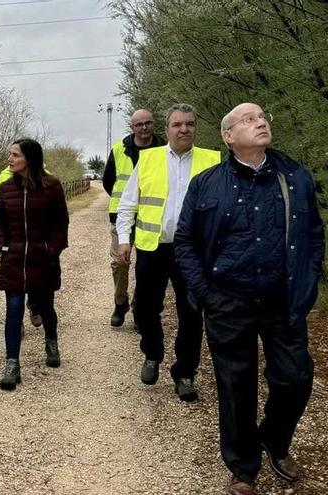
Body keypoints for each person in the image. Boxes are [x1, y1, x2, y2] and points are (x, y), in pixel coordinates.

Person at [175, 103, 323, 495]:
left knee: (295, 379)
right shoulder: (207, 184)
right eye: (248, 119)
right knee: (236, 387)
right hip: (228, 302)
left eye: (262, 117)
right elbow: (186, 243)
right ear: (228, 137)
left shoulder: (294, 177)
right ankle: (243, 468)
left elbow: (313, 237)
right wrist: (205, 294)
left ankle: (274, 440)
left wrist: (308, 287)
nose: (260, 122)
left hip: (283, 302)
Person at [116, 103, 220, 402]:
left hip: (194, 253)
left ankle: (185, 372)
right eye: (177, 124)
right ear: (167, 129)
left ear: (195, 128)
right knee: (145, 308)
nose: (184, 129)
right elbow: (127, 204)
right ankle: (152, 352)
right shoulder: (147, 160)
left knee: (191, 313)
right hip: (152, 247)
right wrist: (125, 240)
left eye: (189, 124)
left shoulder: (212, 161)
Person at [0, 138, 69, 391]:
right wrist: (2, 246)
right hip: (13, 260)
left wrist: (51, 249)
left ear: (30, 159)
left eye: (15, 155)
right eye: (9, 154)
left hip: (42, 260)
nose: (9, 159)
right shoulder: (5, 188)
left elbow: (61, 224)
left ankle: (51, 340)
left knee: (46, 306)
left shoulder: (52, 185)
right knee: (13, 310)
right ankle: (12, 364)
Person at [103, 109, 166, 327]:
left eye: (148, 123)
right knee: (119, 262)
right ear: (133, 127)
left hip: (154, 216)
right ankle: (121, 303)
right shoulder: (119, 149)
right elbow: (108, 181)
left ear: (154, 124)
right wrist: (126, 204)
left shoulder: (165, 148)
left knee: (148, 265)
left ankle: (141, 306)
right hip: (122, 215)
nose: (144, 127)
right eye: (139, 124)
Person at [0, 164, 50, 329]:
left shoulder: (45, 175)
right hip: (11, 237)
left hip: (35, 237)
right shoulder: (4, 174)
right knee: (14, 281)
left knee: (35, 277)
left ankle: (34, 305)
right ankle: (16, 321)